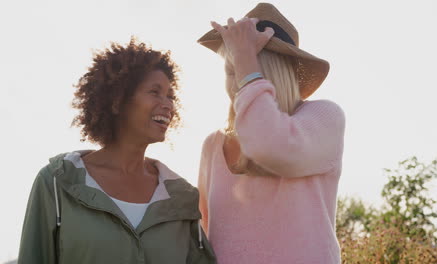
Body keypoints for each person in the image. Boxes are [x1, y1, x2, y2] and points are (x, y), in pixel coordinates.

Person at [17, 38, 217, 264]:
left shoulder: (182, 198)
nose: (168, 104)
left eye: (170, 96)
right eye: (155, 92)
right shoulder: (56, 182)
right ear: (118, 99)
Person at [197, 3, 345, 264]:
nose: (234, 83)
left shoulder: (325, 118)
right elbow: (203, 233)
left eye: (242, 69)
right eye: (230, 72)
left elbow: (270, 145)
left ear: (271, 71)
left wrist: (245, 64)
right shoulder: (213, 145)